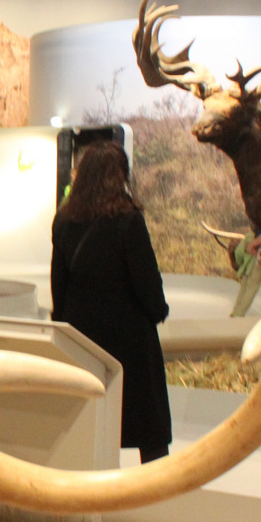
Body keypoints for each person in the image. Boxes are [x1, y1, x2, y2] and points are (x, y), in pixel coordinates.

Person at [50, 142, 172, 462]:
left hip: (86, 345)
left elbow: (58, 292)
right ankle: (153, 501)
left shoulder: (63, 223)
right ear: (120, 176)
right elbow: (148, 286)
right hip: (131, 346)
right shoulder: (128, 222)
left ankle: (97, 498)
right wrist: (159, 312)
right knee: (148, 432)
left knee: (94, 427)